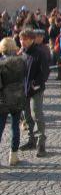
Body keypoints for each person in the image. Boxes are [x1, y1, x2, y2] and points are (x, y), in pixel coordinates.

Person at [19, 28, 48, 157]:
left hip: (36, 90)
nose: (22, 41)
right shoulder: (23, 53)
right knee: (27, 116)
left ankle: (41, 144)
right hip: (24, 90)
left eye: (25, 39)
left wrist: (34, 85)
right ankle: (31, 140)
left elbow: (45, 72)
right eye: (21, 39)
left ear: (31, 39)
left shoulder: (39, 53)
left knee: (37, 115)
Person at [0, 37, 27, 166]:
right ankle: (13, 156)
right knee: (15, 126)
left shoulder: (1, 63)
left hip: (3, 99)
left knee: (0, 127)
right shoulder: (21, 61)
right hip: (17, 97)